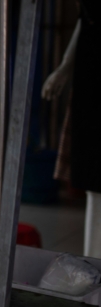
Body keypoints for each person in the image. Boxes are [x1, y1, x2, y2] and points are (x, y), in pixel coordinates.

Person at [42, 1, 101, 258]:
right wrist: (66, 66)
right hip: (91, 77)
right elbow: (87, 19)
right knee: (94, 182)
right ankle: (93, 265)